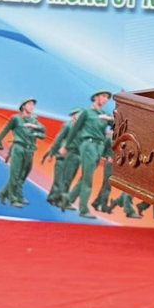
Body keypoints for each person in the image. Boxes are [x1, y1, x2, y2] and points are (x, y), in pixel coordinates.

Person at [62, 90, 110, 219]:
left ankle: (68, 199)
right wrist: (66, 145)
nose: (105, 99)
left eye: (107, 97)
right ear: (96, 97)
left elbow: (116, 126)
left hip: (99, 146)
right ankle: (83, 209)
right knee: (88, 178)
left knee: (86, 176)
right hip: (88, 144)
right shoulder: (86, 112)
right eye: (103, 96)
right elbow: (75, 128)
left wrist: (110, 119)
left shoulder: (105, 114)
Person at [0, 97, 46, 207]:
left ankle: (5, 192)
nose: (32, 107)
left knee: (24, 174)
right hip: (18, 147)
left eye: (33, 104)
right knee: (15, 173)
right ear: (23, 106)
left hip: (29, 150)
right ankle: (12, 198)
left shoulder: (33, 120)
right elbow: (5, 130)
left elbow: (43, 129)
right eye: (29, 104)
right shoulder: (15, 118)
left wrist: (34, 126)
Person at [44, 108, 81, 209]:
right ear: (74, 115)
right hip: (63, 155)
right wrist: (52, 153)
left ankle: (53, 197)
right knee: (60, 179)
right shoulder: (67, 125)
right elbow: (58, 138)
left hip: (73, 156)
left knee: (67, 179)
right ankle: (57, 199)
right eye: (78, 114)